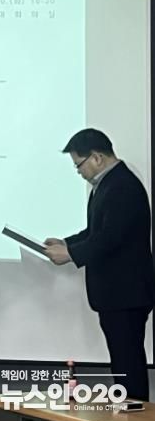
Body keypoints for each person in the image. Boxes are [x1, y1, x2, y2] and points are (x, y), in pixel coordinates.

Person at [44, 128, 155, 401]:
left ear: (97, 157)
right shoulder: (108, 184)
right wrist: (67, 243)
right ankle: (130, 408)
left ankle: (136, 413)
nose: (78, 172)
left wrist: (71, 255)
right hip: (117, 294)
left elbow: (109, 238)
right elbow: (95, 231)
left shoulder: (122, 186)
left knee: (128, 362)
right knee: (123, 360)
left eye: (79, 164)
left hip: (126, 293)